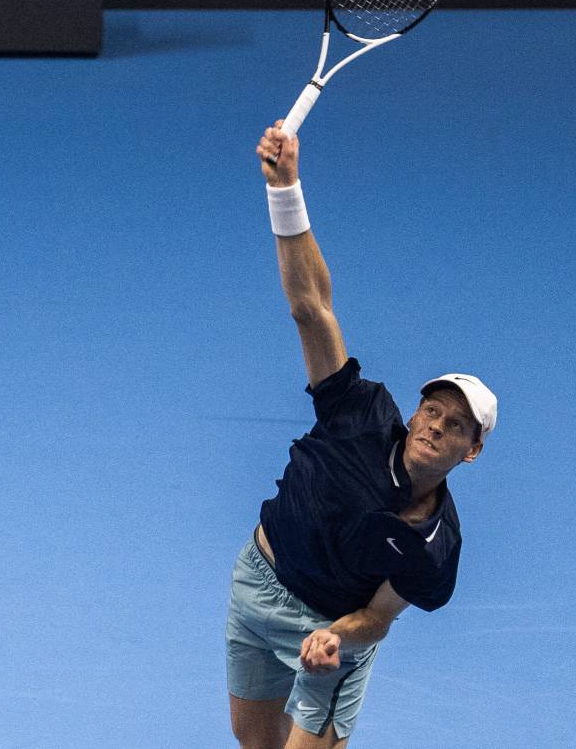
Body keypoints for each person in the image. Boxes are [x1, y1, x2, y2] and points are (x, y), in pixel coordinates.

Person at [225, 121, 498, 749]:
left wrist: (336, 639)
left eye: (457, 424)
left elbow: (378, 616)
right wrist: (285, 188)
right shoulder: (357, 413)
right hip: (258, 582)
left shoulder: (433, 548)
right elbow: (311, 306)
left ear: (472, 449)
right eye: (433, 409)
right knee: (253, 742)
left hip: (329, 625)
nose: (436, 425)